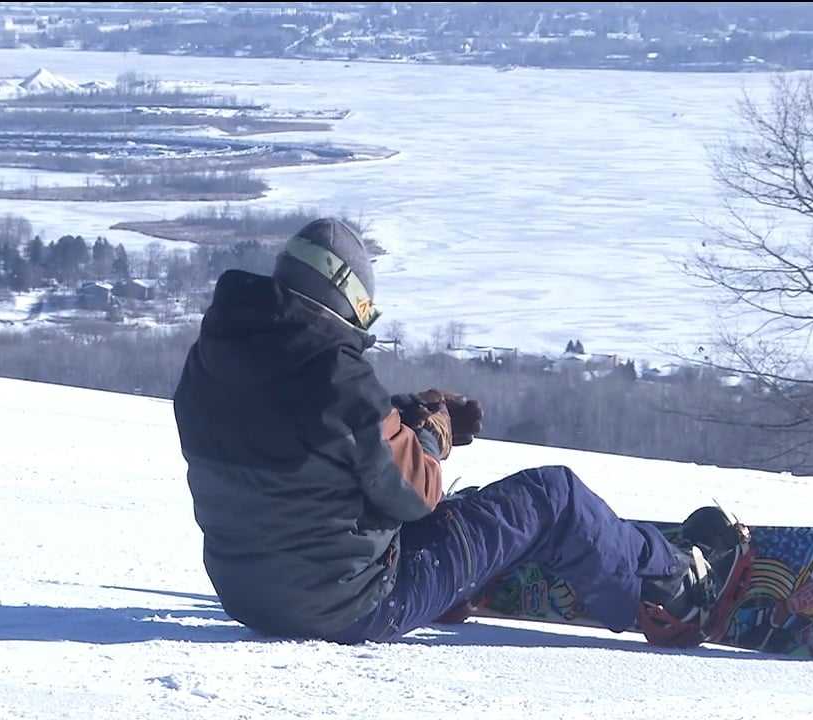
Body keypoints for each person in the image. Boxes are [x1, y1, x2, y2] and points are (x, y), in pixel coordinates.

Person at [171, 217, 756, 648]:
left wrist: (404, 414)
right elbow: (417, 492)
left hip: (246, 593)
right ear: (346, 296)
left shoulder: (211, 361)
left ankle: (462, 582)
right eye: (365, 310)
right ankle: (678, 587)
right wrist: (430, 436)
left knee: (476, 510)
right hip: (345, 606)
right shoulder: (336, 376)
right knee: (552, 497)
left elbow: (305, 439)